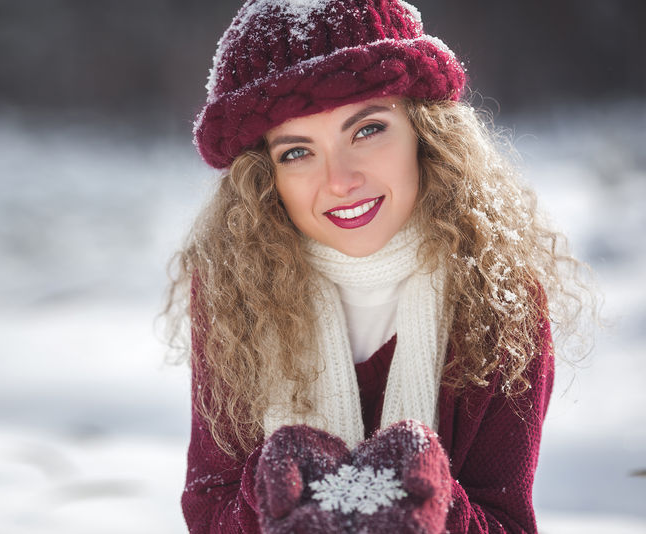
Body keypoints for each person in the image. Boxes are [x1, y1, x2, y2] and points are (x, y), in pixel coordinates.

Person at [164, 1, 590, 532]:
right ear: (264, 177)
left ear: (424, 131)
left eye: (366, 130)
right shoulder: (238, 294)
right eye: (297, 152)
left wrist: (432, 500)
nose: (340, 180)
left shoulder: (498, 296)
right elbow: (209, 509)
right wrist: (267, 488)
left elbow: (506, 522)